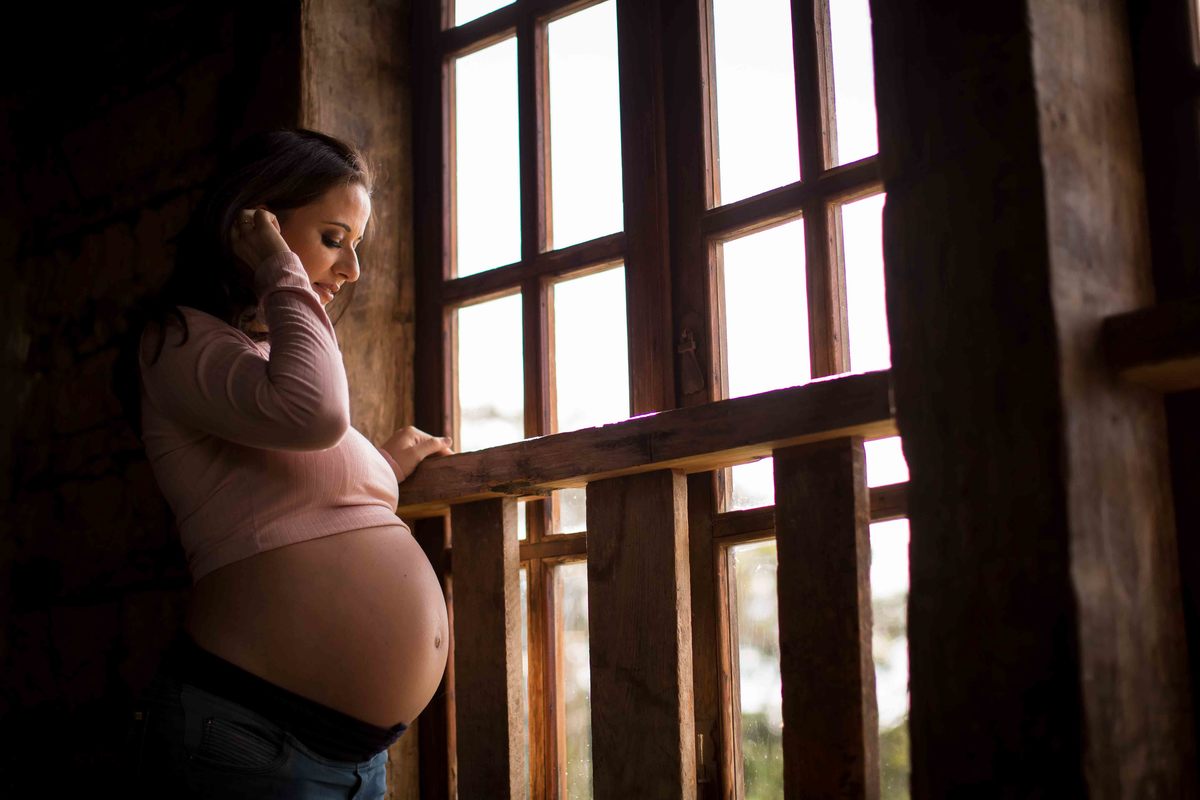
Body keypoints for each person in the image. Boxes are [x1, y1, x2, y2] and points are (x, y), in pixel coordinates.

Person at [120, 127, 453, 798]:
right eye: (333, 240)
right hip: (252, 740)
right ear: (257, 221)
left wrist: (384, 464)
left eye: (356, 246)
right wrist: (281, 268)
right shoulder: (178, 342)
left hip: (352, 762)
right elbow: (316, 417)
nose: (351, 270)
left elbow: (303, 492)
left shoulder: (262, 360)